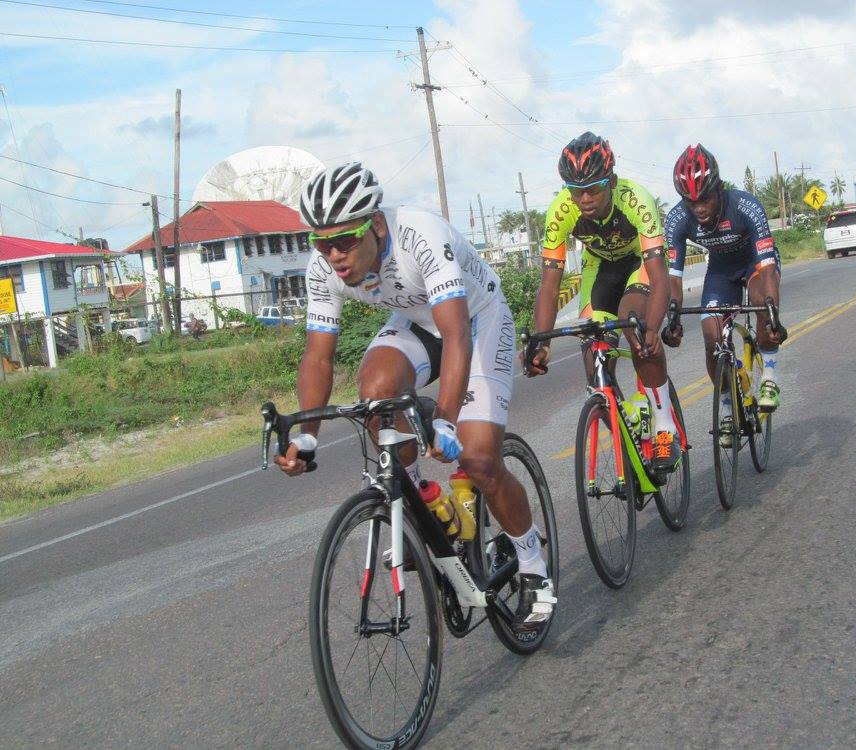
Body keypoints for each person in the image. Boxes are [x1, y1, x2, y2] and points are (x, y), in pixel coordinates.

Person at [273, 162, 554, 631]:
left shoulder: (419, 235)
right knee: (376, 392)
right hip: (416, 322)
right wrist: (305, 436)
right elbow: (318, 356)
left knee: (480, 457)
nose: (335, 255)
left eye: (345, 241)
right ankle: (421, 498)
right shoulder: (323, 270)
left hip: (478, 321)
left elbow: (457, 334)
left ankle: (533, 566)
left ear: (376, 225)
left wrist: (445, 418)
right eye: (322, 243)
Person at [525, 131, 681, 479]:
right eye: (575, 189)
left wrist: (652, 328)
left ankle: (663, 424)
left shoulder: (636, 199)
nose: (584, 198)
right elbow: (549, 287)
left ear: (610, 180)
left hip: (639, 263)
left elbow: (660, 280)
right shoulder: (561, 211)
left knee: (634, 325)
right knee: (593, 352)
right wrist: (542, 343)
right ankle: (625, 429)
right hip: (600, 269)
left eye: (594, 187)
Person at [663, 144, 786, 448]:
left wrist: (773, 315)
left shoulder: (746, 206)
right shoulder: (678, 219)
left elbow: (768, 268)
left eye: (704, 198)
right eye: (691, 202)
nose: (699, 208)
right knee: (711, 336)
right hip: (721, 269)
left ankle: (769, 376)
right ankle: (729, 408)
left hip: (756, 264)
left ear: (718, 189)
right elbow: (673, 278)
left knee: (763, 309)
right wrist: (673, 316)